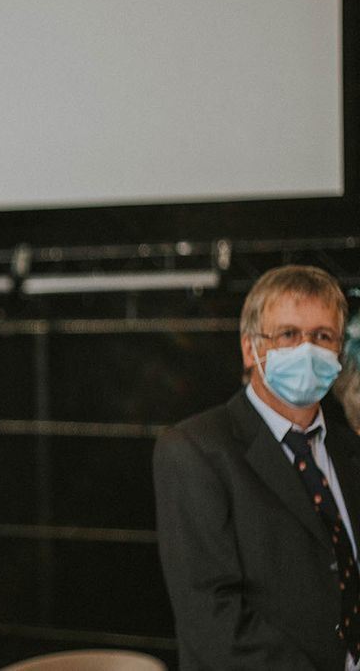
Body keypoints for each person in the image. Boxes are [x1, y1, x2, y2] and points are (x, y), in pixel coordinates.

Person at [153, 264, 360, 671]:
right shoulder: (194, 450)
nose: (307, 349)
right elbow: (211, 618)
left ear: (339, 351)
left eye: (322, 336)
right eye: (287, 334)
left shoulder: (349, 446)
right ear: (251, 349)